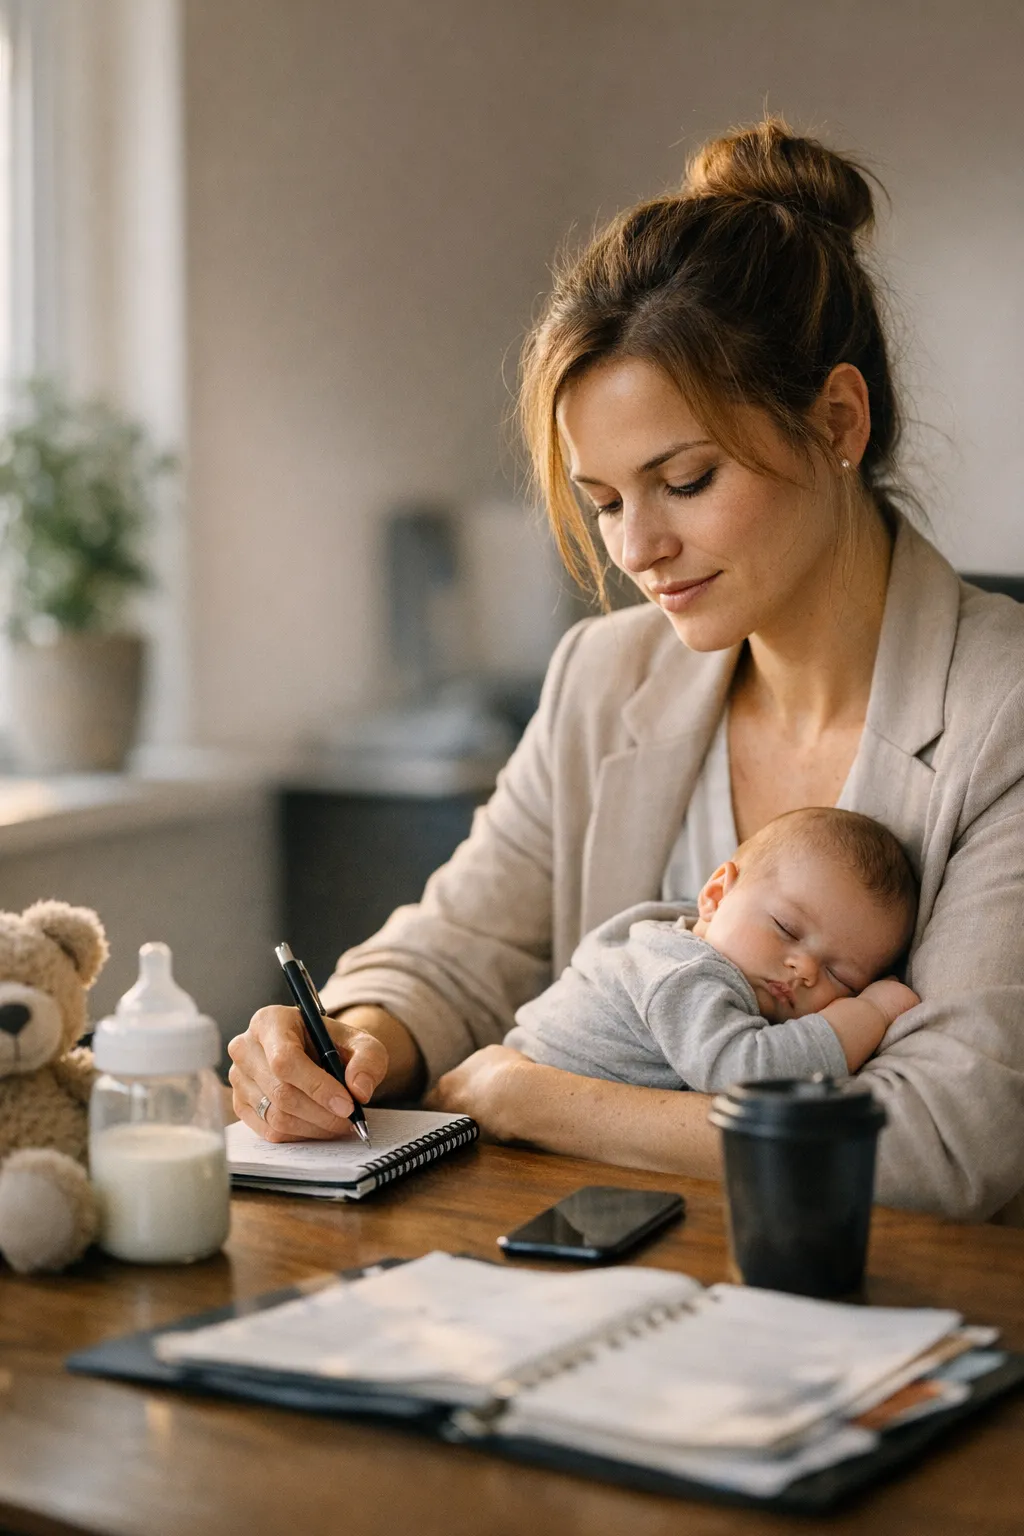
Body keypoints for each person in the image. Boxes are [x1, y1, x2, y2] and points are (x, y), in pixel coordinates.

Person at [228, 117, 1024, 1221]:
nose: (636, 550)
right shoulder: (606, 676)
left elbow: (945, 1145)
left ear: (837, 419)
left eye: (685, 480)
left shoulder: (1003, 715)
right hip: (603, 1291)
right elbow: (462, 947)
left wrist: (536, 1099)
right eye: (603, 501)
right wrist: (350, 1038)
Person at [504, 807, 920, 1092]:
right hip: (514, 1145)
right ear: (716, 895)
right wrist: (871, 1012)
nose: (805, 969)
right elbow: (745, 1075)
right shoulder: (684, 971)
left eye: (840, 977)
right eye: (786, 928)